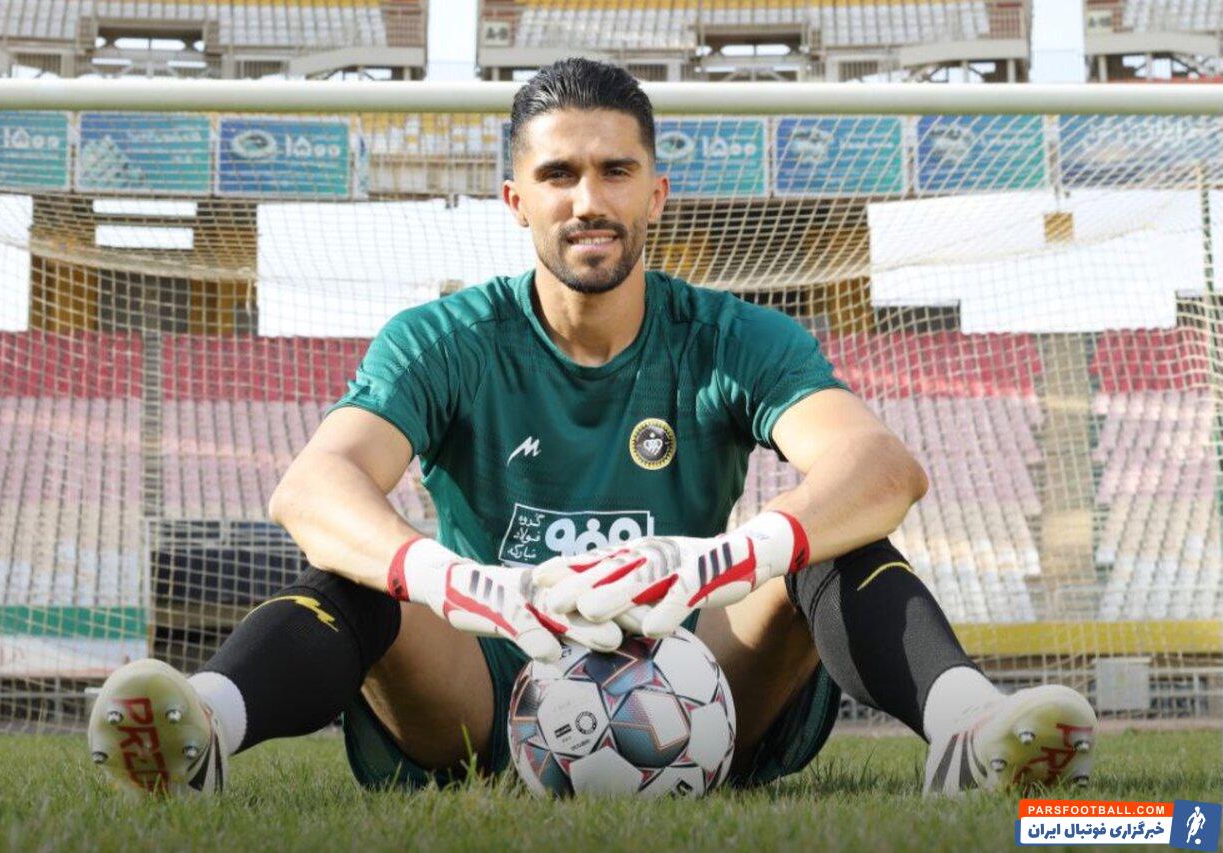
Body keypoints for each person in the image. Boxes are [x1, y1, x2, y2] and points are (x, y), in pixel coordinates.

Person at [87, 58, 1096, 797]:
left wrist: (720, 559)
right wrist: (460, 580)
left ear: (655, 193)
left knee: (832, 536)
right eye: (559, 174)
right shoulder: (444, 339)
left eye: (615, 172)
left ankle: (971, 730)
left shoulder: (731, 335)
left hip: (692, 675)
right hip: (486, 679)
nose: (588, 200)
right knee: (358, 566)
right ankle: (200, 729)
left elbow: (881, 465)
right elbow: (311, 487)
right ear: (514, 199)